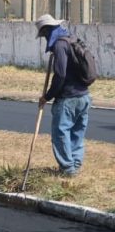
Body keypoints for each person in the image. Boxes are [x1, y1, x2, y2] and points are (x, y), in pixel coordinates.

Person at [35, 14, 92, 177]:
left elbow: (60, 75)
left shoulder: (60, 45)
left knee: (61, 134)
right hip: (84, 97)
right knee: (76, 133)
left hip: (68, 99)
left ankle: (68, 169)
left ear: (47, 31)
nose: (44, 38)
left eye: (44, 34)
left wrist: (47, 96)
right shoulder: (71, 39)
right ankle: (74, 166)